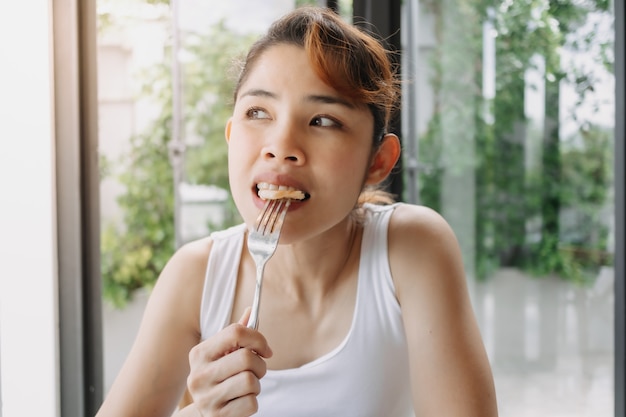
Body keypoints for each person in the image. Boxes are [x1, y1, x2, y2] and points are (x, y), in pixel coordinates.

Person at [96, 6, 498, 417]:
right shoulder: (195, 276)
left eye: (323, 120)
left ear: (378, 160)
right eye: (258, 112)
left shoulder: (412, 249)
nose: (281, 144)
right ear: (231, 136)